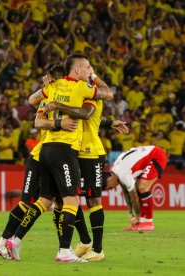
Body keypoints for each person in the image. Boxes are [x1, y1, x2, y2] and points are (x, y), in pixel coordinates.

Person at [6, 54, 113, 263]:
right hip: (65, 150)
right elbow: (107, 95)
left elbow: (32, 100)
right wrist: (95, 78)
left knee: (45, 199)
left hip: (45, 148)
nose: (89, 71)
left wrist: (50, 94)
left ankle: (15, 239)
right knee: (72, 200)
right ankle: (65, 251)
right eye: (87, 67)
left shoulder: (53, 86)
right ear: (78, 70)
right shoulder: (82, 88)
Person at [0, 65, 79, 260]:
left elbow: (32, 100)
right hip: (41, 156)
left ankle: (64, 248)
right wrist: (59, 123)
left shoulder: (63, 96)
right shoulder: (48, 99)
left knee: (53, 201)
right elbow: (37, 122)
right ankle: (4, 241)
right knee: (27, 202)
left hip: (50, 155)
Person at [42, 79, 128, 261]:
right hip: (74, 151)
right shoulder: (75, 93)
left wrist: (59, 105)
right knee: (69, 196)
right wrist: (111, 122)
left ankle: (98, 249)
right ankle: (86, 241)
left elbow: (87, 114)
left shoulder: (91, 94)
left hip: (91, 152)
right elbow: (97, 118)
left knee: (93, 198)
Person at [105, 145, 168, 231]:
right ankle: (141, 223)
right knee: (138, 187)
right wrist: (131, 213)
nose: (112, 189)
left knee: (142, 187)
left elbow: (133, 195)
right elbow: (126, 192)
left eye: (109, 188)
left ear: (109, 180)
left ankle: (149, 222)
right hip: (149, 157)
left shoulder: (122, 173)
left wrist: (136, 215)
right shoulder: (115, 170)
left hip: (156, 155)